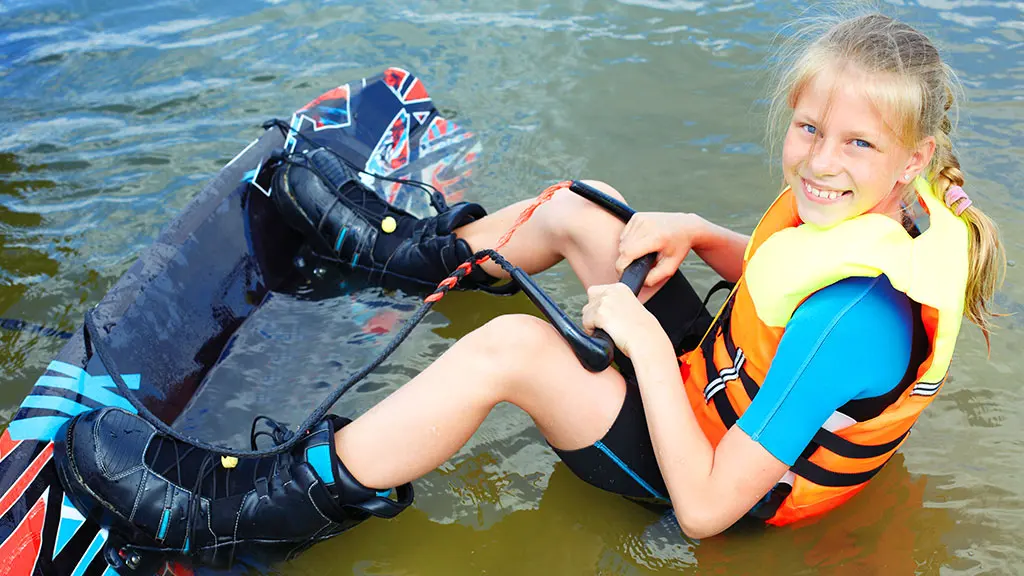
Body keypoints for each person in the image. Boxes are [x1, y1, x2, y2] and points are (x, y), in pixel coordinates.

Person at [54, 10, 1004, 567]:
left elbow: (710, 511)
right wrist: (701, 235)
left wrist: (637, 342)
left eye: (856, 145)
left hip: (714, 475)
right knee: (597, 209)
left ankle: (253, 506)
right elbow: (772, 289)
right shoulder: (876, 205)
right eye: (808, 131)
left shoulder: (854, 316)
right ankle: (418, 256)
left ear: (913, 156)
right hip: (715, 385)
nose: (820, 162)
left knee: (513, 353)